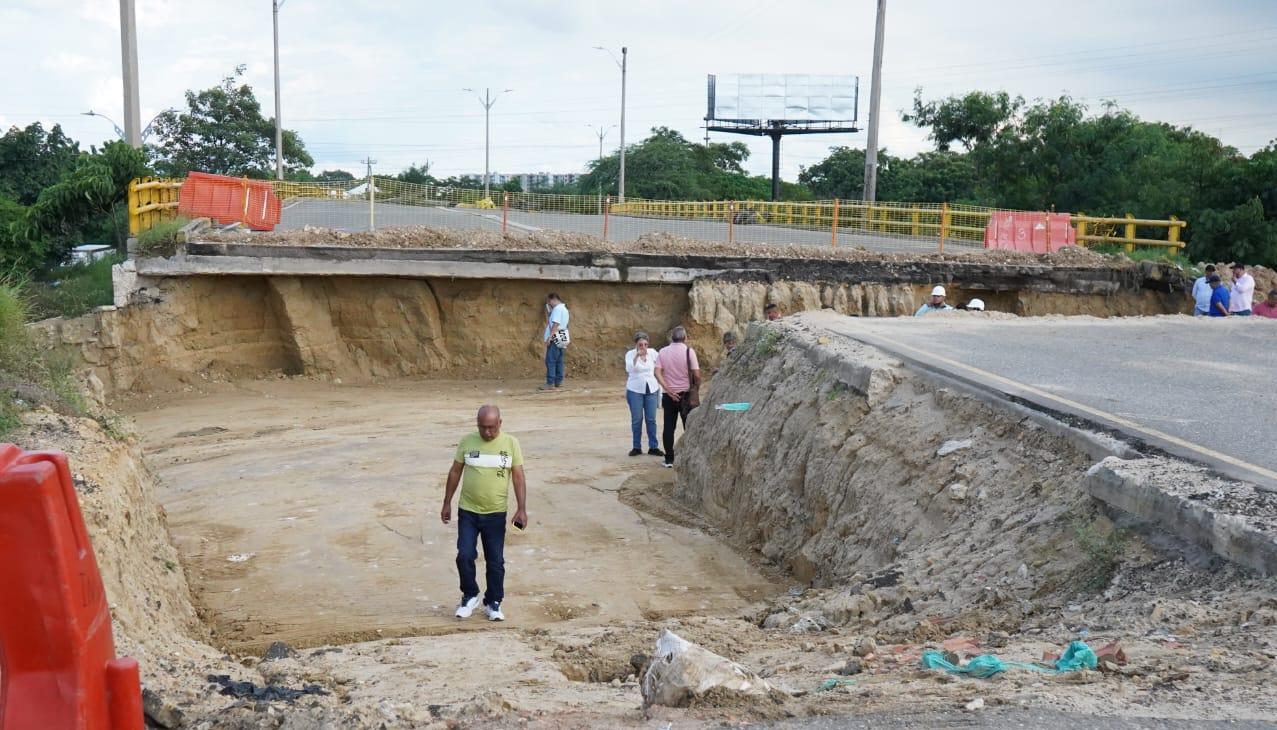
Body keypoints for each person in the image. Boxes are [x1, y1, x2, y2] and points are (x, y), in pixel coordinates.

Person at [442, 405, 527, 622]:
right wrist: (447, 503)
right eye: (482, 428)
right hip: (468, 511)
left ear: (500, 423)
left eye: (491, 427)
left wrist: (521, 508)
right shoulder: (467, 441)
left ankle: (493, 601)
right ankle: (470, 595)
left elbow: (518, 476)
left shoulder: (511, 443)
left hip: (496, 513)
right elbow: (455, 472)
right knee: (465, 555)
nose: (487, 432)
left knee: (495, 561)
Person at [654, 327, 700, 470]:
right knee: (690, 426)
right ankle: (691, 457)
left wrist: (667, 388)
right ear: (685, 337)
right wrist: (696, 388)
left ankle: (669, 459)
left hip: (669, 396)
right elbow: (696, 374)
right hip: (686, 395)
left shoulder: (662, 351)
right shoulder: (688, 351)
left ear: (671, 338)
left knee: (669, 427)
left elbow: (657, 372)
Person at [624, 332, 664, 458]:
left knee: (651, 419)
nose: (643, 347)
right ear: (636, 344)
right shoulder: (630, 354)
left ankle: (653, 446)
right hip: (635, 389)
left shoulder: (653, 352)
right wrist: (637, 355)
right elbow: (630, 368)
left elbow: (660, 365)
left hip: (651, 388)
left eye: (645, 344)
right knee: (637, 419)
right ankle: (637, 446)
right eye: (640, 344)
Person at [539, 293, 570, 391]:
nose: (549, 304)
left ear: (553, 299)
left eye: (549, 302)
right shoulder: (564, 309)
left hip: (555, 337)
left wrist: (550, 337)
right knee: (559, 360)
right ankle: (558, 381)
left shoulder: (557, 309)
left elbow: (556, 323)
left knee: (550, 360)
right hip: (562, 337)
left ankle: (550, 383)